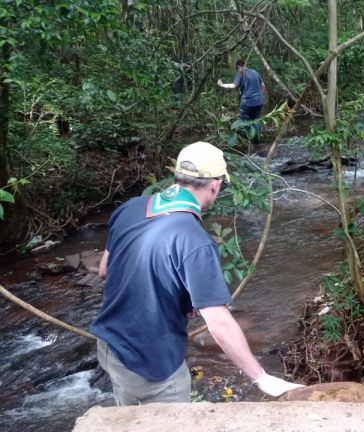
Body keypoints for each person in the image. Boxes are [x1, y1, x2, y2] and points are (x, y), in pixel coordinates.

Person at [91, 141, 303, 405]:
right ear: (215, 185)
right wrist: (261, 378)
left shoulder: (130, 208)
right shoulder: (194, 240)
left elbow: (103, 271)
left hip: (111, 348)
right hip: (152, 363)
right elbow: (218, 323)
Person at [217, 60, 266, 147]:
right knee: (256, 120)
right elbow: (262, 84)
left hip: (247, 102)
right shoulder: (254, 72)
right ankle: (257, 140)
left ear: (239, 66)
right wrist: (260, 95)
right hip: (258, 101)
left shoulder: (240, 73)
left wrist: (221, 84)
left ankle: (252, 139)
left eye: (237, 68)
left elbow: (234, 85)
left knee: (244, 120)